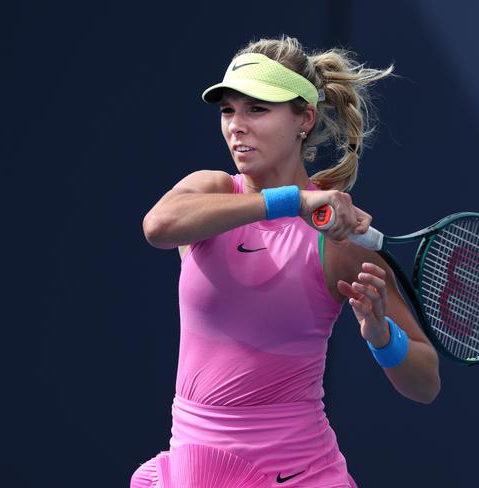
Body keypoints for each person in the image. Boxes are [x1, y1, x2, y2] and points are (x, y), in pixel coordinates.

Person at [131, 35, 441, 488]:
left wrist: (381, 337)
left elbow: (425, 382)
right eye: (227, 110)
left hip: (300, 476)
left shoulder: (338, 240)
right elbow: (157, 226)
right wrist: (292, 200)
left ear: (304, 119)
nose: (237, 125)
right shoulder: (211, 193)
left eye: (257, 109)